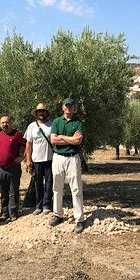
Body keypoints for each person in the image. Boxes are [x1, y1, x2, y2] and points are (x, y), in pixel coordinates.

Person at [48, 97, 86, 234]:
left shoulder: (79, 122)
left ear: (74, 107)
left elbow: (78, 141)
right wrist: (70, 139)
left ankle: (79, 219)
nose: (69, 108)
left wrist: (62, 137)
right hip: (58, 157)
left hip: (72, 158)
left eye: (71, 105)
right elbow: (53, 139)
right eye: (66, 105)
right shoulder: (57, 121)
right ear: (62, 107)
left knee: (76, 188)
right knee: (57, 187)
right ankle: (58, 214)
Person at [0, 115, 26, 223]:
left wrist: (23, 156)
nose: (4, 124)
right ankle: (4, 213)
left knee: (13, 191)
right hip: (0, 168)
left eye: (6, 122)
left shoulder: (17, 134)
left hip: (13, 168)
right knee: (2, 191)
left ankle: (13, 213)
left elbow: (28, 144)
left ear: (10, 123)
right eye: (2, 123)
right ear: (0, 124)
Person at [24, 103, 53, 215]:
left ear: (46, 113)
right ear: (36, 114)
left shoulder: (52, 124)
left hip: (50, 159)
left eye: (43, 111)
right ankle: (38, 205)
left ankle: (46, 205)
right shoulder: (31, 126)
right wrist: (28, 160)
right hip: (36, 160)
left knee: (49, 183)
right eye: (39, 111)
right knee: (38, 184)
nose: (41, 113)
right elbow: (28, 144)